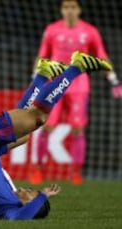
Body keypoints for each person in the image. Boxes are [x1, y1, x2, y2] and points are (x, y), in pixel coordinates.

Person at [0, 52, 112, 220]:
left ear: (30, 206)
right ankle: (44, 74)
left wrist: (43, 195)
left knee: (38, 117)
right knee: (26, 135)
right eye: (30, 191)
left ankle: (78, 66)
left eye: (29, 194)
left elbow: (23, 216)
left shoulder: (8, 210)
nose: (25, 189)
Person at [30, 0, 122, 185]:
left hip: (78, 84)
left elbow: (101, 56)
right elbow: (43, 55)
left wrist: (114, 81)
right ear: (62, 10)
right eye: (66, 7)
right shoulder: (52, 30)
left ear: (79, 10)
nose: (69, 11)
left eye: (73, 7)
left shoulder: (89, 31)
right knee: (45, 124)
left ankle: (76, 172)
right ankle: (38, 169)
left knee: (77, 128)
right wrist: (35, 80)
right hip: (54, 82)